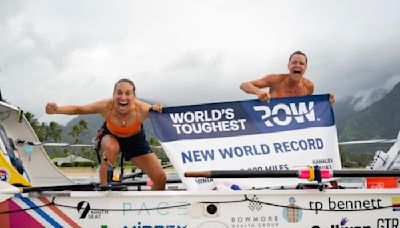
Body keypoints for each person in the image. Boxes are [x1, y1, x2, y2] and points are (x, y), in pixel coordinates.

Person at [46, 78, 166, 190]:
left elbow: (168, 118)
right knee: (112, 147)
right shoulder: (106, 106)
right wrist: (57, 109)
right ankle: (104, 188)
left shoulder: (144, 109)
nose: (123, 97)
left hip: (135, 141)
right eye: (119, 93)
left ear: (134, 96)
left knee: (160, 178)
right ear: (113, 95)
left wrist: (159, 109)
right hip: (111, 136)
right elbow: (79, 109)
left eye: (128, 93)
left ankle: (152, 206)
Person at [240, 51, 335, 104]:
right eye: (294, 62)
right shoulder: (276, 80)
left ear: (305, 68)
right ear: (288, 66)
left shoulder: (309, 86)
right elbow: (244, 85)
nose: (297, 65)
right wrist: (258, 91)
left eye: (301, 63)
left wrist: (326, 103)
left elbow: (308, 107)